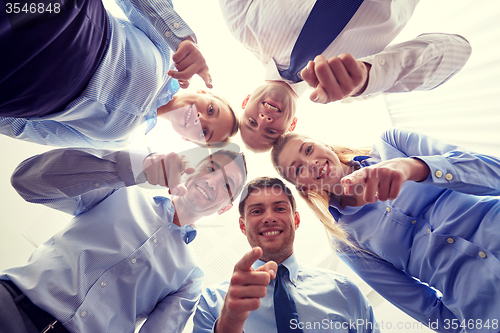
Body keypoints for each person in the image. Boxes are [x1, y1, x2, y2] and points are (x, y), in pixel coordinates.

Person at [271, 128, 500, 333]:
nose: (311, 163)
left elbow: (493, 174)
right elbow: (422, 307)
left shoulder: (391, 145)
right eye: (298, 168)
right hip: (486, 311)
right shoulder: (345, 241)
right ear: (302, 187)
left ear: (325, 144)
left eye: (309, 149)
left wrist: (414, 168)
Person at [0, 146, 247, 333]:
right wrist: (131, 168)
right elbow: (26, 182)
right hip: (11, 304)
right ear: (194, 168)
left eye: (227, 185)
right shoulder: (121, 189)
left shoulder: (191, 277)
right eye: (211, 168)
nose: (212, 182)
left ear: (226, 208)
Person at [220, 0, 472, 151]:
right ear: (291, 126)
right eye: (270, 132)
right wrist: (369, 76)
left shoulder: (242, 26)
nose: (264, 120)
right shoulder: (355, 88)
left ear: (245, 102)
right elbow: (457, 51)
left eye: (252, 122)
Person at [0, 0, 238, 148]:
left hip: (17, 88)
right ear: (205, 92)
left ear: (188, 141)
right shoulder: (166, 52)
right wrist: (180, 38)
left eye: (205, 132)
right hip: (64, 21)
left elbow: (30, 130)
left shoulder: (119, 141)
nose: (201, 120)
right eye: (211, 110)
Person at [192, 177, 379, 333]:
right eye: (257, 211)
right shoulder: (211, 302)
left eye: (280, 208)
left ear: (296, 220)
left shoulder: (344, 291)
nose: (269, 218)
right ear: (243, 226)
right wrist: (229, 322)